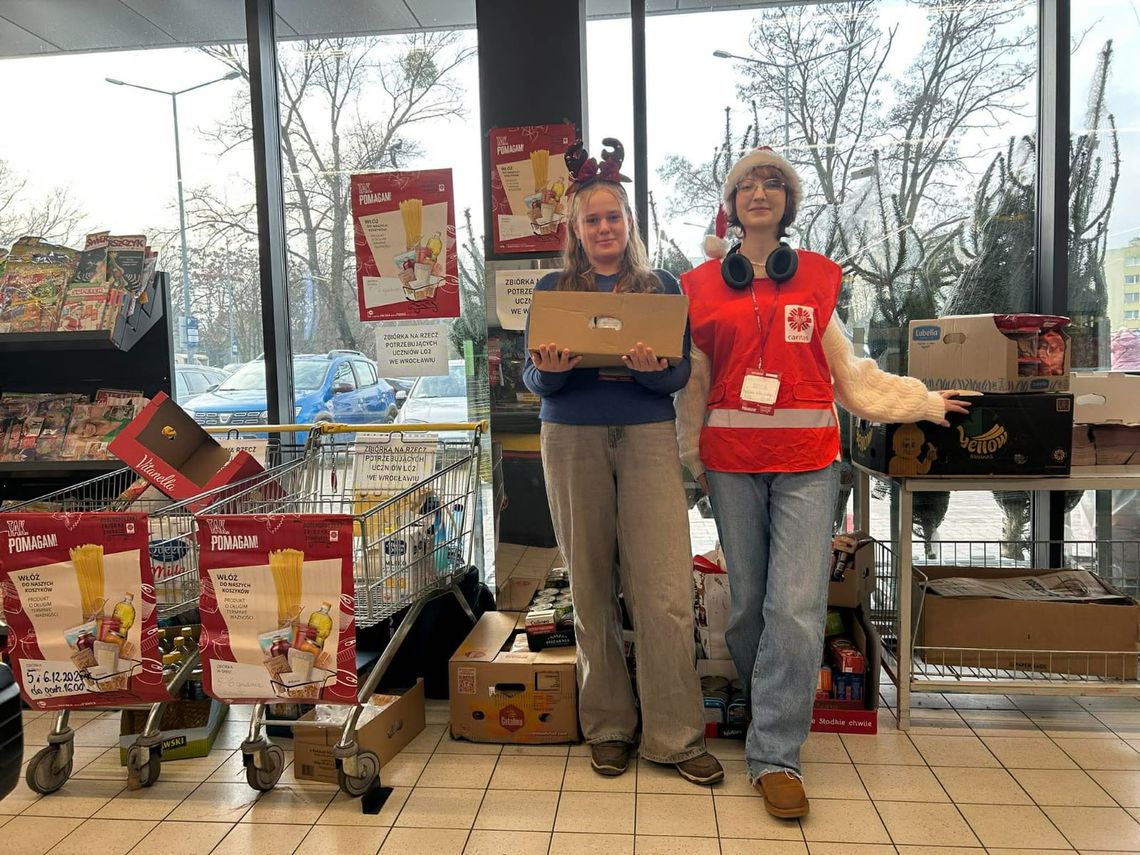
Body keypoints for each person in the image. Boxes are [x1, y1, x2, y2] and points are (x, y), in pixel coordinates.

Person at [676, 147, 969, 817]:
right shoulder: (698, 287)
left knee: (797, 605)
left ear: (787, 200)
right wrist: (692, 461)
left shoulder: (813, 278)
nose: (759, 191)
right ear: (731, 201)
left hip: (809, 461)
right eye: (747, 183)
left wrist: (923, 401)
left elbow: (853, 376)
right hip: (730, 463)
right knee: (749, 604)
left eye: (772, 182)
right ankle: (766, 707)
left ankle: (775, 753)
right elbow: (691, 390)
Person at [522, 138, 723, 785]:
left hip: (645, 438)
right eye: (591, 219)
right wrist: (549, 373)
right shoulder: (554, 289)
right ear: (576, 231)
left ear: (629, 225)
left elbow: (678, 375)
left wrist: (654, 370)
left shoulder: (660, 287)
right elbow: (535, 375)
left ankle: (675, 734)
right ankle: (608, 724)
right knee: (589, 585)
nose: (604, 228)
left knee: (663, 590)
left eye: (614, 217)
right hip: (571, 439)